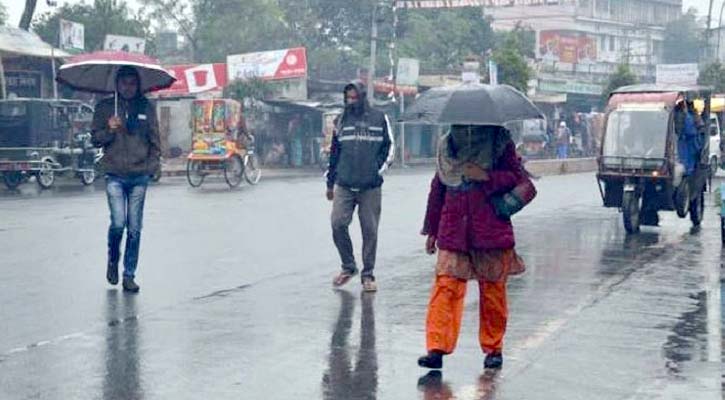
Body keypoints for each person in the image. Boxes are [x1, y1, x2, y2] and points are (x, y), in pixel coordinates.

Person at [417, 125, 533, 370]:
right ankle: (436, 348)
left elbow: (516, 177)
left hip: (489, 227)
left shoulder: (500, 142)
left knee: (492, 292)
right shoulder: (447, 146)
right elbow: (438, 188)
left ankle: (493, 348)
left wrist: (485, 176)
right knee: (445, 286)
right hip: (453, 228)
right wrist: (432, 229)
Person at [91, 66, 161, 293]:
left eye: (132, 83)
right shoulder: (105, 108)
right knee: (118, 223)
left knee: (135, 228)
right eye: (124, 83)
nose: (128, 87)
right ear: (117, 85)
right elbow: (95, 139)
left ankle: (129, 274)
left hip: (139, 175)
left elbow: (155, 141)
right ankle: (113, 260)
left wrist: (151, 167)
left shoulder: (146, 108)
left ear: (138, 85)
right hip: (114, 174)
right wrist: (110, 129)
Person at [326, 80, 395, 292]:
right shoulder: (341, 120)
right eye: (348, 98)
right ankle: (348, 266)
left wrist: (377, 170)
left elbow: (389, 147)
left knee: (370, 230)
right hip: (344, 184)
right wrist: (330, 183)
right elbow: (335, 153)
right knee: (338, 224)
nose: (351, 101)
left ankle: (368, 275)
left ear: (362, 97)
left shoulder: (379, 118)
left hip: (370, 186)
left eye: (355, 97)